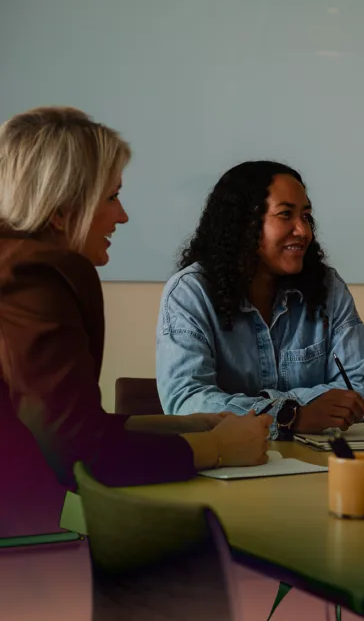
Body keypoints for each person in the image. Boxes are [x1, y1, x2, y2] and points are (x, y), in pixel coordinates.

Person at [0, 107, 271, 538]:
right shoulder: (35, 275)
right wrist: (217, 448)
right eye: (111, 197)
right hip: (28, 553)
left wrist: (191, 425)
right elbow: (79, 454)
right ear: (62, 210)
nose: (122, 216)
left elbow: (62, 423)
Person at [156, 161, 364, 439]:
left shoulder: (327, 287)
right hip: (228, 470)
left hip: (316, 470)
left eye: (306, 216)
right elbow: (186, 403)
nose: (304, 231)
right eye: (286, 214)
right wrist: (290, 415)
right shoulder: (190, 292)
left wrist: (282, 410)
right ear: (243, 224)